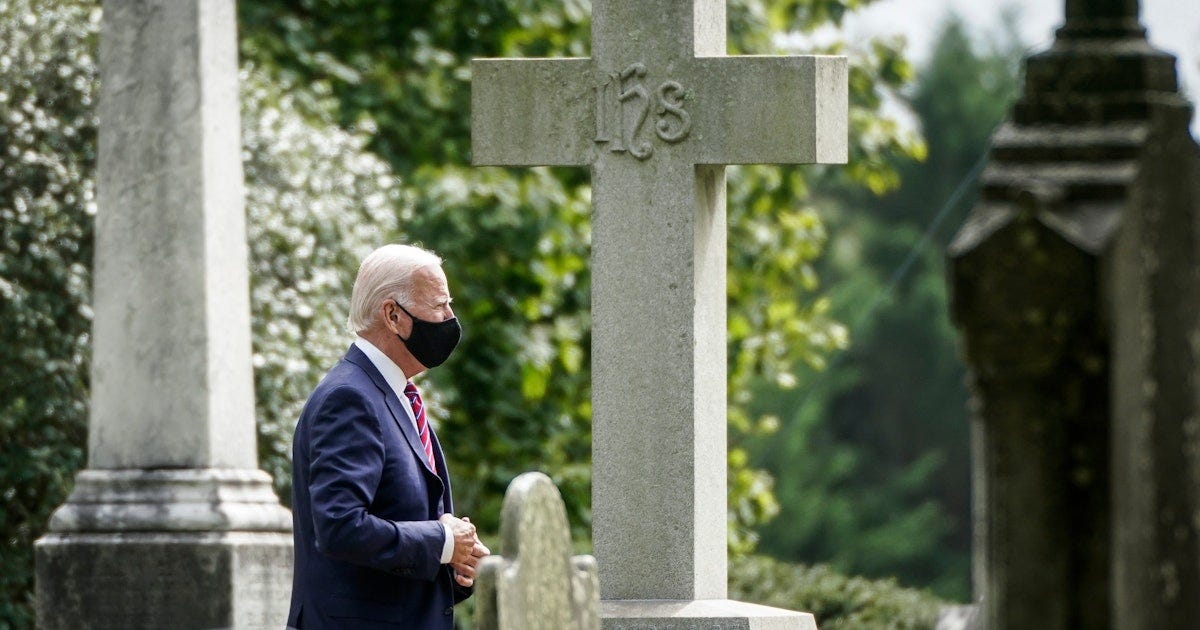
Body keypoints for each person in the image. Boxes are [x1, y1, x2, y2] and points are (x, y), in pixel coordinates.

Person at [288, 244, 489, 629]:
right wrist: (443, 541)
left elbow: (402, 527)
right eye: (440, 305)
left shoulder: (397, 395)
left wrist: (455, 563)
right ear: (393, 315)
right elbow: (341, 527)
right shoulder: (349, 398)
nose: (450, 318)